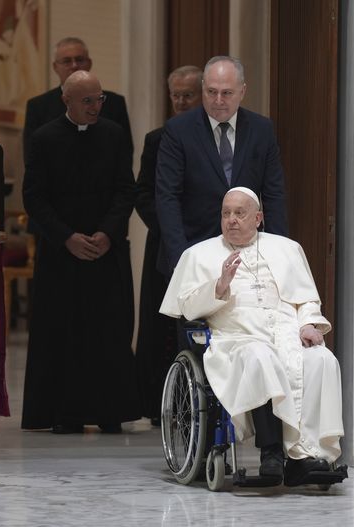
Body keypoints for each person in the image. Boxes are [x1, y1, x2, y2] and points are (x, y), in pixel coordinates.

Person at [160, 187, 344, 483]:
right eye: (226, 213)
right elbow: (187, 308)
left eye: (239, 213)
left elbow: (307, 300)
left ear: (258, 218)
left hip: (287, 335)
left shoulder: (287, 249)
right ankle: (271, 452)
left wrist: (308, 323)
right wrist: (219, 286)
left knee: (322, 360)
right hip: (234, 340)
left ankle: (306, 457)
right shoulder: (198, 255)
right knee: (261, 357)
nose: (231, 220)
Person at [21, 70, 140, 434]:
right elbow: (34, 197)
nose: (95, 107)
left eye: (99, 99)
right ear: (67, 101)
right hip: (62, 256)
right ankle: (65, 414)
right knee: (64, 334)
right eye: (87, 100)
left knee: (108, 333)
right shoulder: (44, 139)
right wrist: (66, 237)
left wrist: (107, 232)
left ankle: (110, 412)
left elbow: (126, 190)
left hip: (106, 253)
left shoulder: (114, 135)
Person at [155, 56, 288, 275]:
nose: (218, 100)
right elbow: (167, 197)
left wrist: (277, 254)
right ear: (203, 89)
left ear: (242, 91)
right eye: (211, 92)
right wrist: (181, 259)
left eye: (226, 93)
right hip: (193, 250)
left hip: (249, 253)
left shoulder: (261, 129)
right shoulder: (178, 130)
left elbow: (274, 195)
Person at [134, 66, 203, 425]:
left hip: (206, 243)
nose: (179, 101)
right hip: (165, 245)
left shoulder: (212, 137)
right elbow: (144, 192)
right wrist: (170, 226)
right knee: (161, 327)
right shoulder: (157, 139)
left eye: (186, 95)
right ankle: (162, 406)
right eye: (174, 95)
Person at [22, 37, 132, 158]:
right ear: (55, 67)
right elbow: (32, 156)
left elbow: (125, 153)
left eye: (79, 60)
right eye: (67, 61)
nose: (74, 65)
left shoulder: (114, 103)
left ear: (89, 63)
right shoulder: (38, 106)